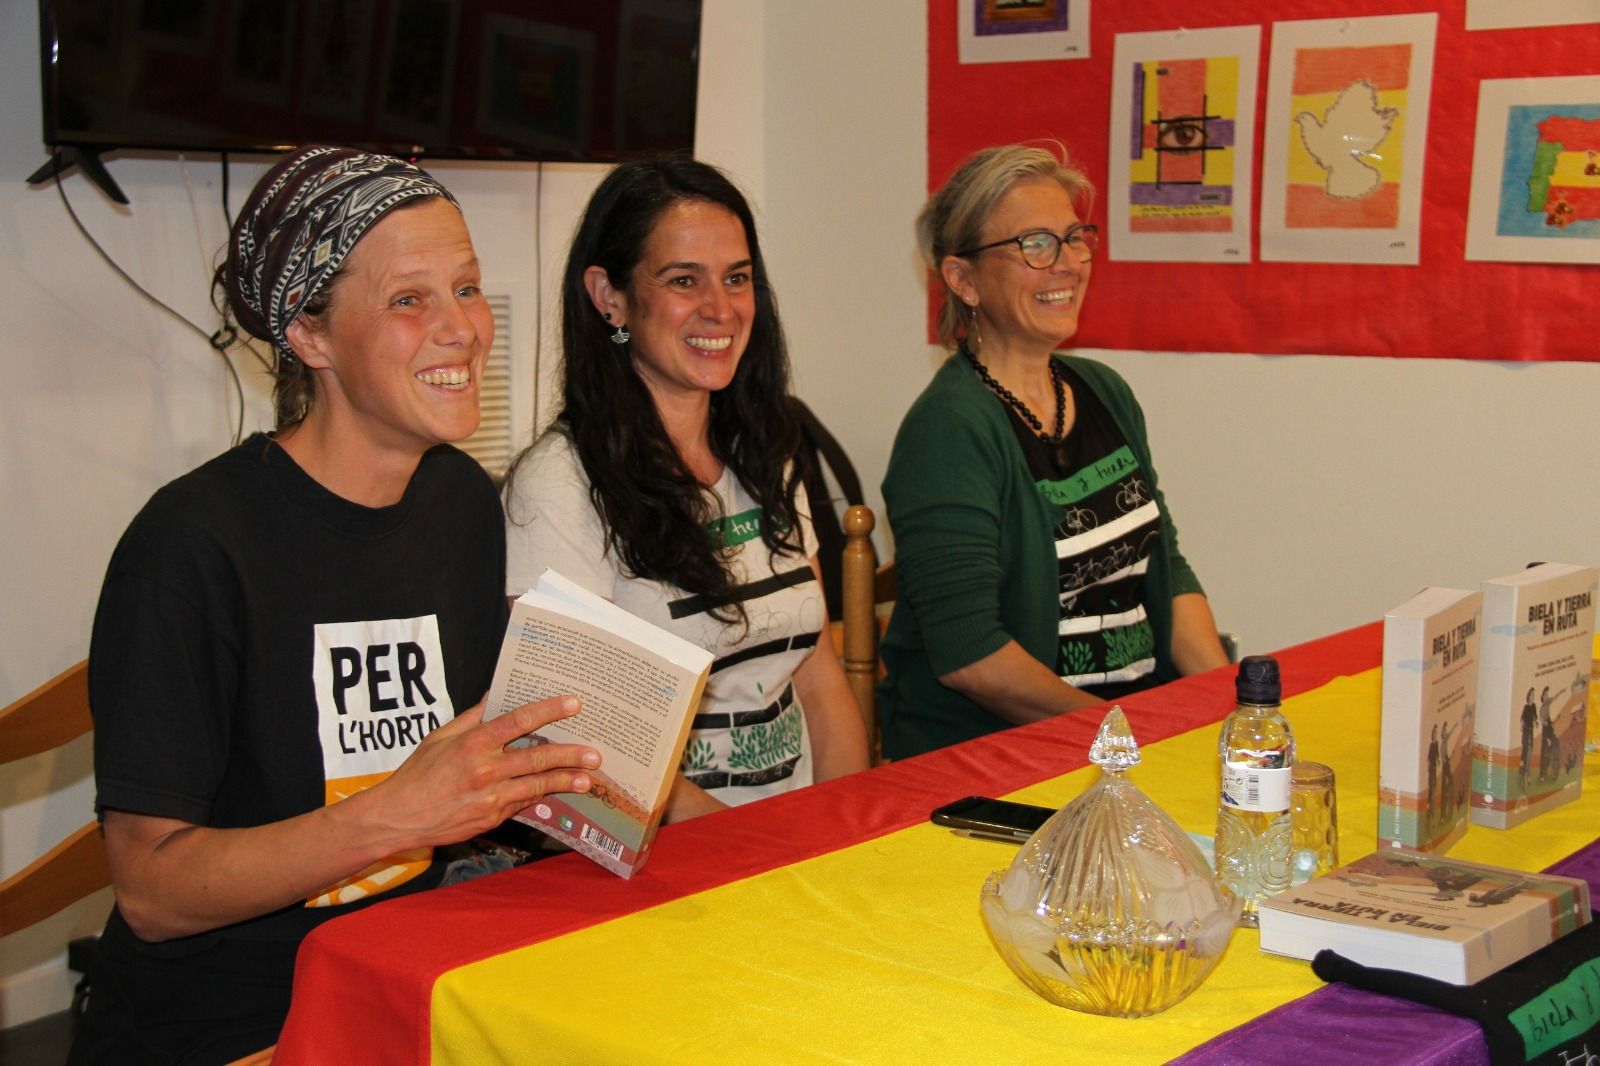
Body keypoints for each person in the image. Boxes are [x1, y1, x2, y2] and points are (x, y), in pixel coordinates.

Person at [72, 147, 601, 1065]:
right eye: (409, 300)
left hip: (408, 980)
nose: (463, 329)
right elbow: (150, 895)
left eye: (467, 289)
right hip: (233, 1026)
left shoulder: (460, 504)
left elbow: (461, 767)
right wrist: (401, 814)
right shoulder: (192, 545)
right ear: (309, 337)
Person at [503, 158, 869, 817]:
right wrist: (748, 860)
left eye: (737, 278)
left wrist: (839, 828)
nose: (720, 308)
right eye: (683, 280)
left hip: (797, 839)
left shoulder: (765, 447)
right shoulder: (556, 487)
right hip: (675, 865)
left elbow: (817, 671)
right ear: (608, 295)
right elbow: (584, 750)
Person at [879, 144, 1229, 759]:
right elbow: (971, 656)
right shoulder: (948, 430)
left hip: (1127, 733)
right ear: (963, 280)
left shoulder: (1102, 391)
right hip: (1008, 760)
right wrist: (1126, 737)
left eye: (1073, 237)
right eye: (1035, 245)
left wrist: (1221, 707)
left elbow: (1165, 568)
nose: (1066, 264)